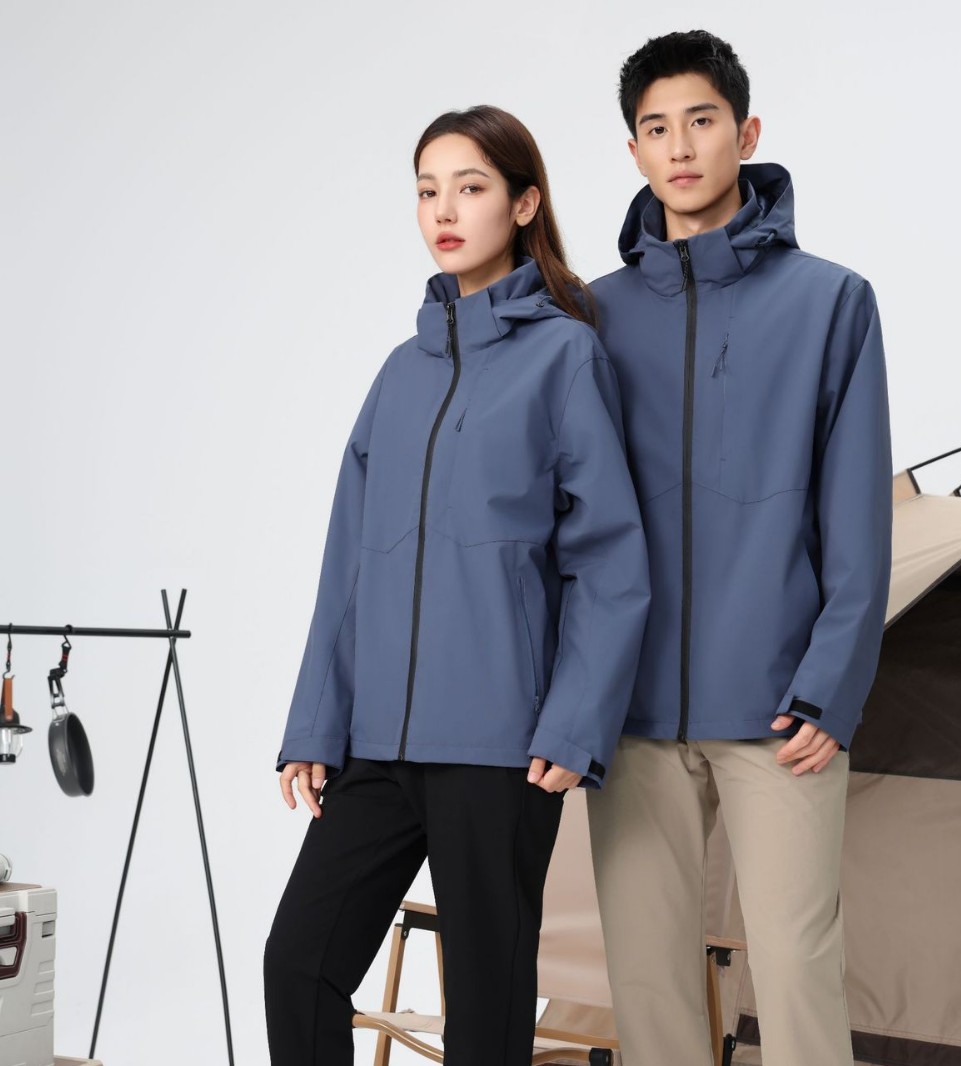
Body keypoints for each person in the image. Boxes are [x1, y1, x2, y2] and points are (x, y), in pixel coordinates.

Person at [262, 105, 650, 1066]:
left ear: (523, 205)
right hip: (379, 744)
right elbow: (349, 563)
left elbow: (608, 558)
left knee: (485, 1012)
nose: (444, 209)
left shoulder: (565, 357)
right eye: (428, 190)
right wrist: (316, 723)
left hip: (500, 748)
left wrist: (574, 723)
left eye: (470, 187)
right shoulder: (400, 374)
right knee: (298, 962)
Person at [584, 30, 892, 1066]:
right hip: (631, 714)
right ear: (632, 149)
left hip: (779, 709)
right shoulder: (592, 316)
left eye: (701, 121)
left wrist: (831, 688)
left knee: (798, 972)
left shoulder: (831, 303)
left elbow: (858, 513)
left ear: (746, 133)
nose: (679, 147)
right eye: (656, 128)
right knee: (646, 983)